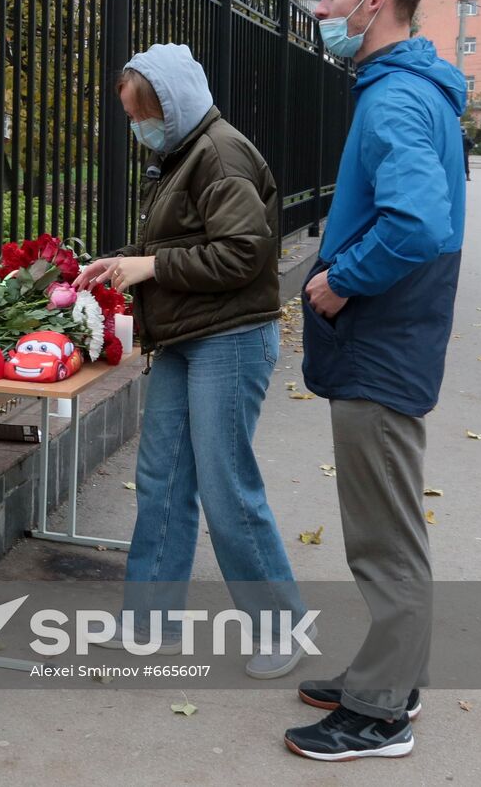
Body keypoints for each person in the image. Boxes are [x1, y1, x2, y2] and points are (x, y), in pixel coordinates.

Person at [73, 43, 310, 681]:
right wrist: (121, 260)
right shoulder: (185, 152)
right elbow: (180, 241)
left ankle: (280, 629)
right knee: (164, 479)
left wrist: (148, 267)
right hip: (188, 334)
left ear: (170, 106)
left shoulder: (221, 153)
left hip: (229, 339)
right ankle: (151, 623)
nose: (137, 128)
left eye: (141, 114)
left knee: (226, 488)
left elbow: (242, 255)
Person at [290, 0, 467, 762]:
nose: (321, 10)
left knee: (382, 539)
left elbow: (418, 223)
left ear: (375, 1)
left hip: (380, 339)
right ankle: (389, 676)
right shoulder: (410, 88)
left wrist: (339, 281)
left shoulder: (395, 98)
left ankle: (380, 714)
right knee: (388, 528)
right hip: (394, 338)